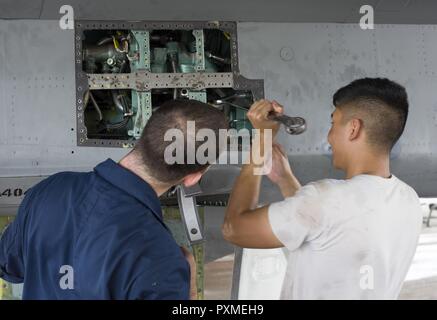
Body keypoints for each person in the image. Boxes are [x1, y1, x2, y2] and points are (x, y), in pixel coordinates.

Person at [0, 99, 228, 299]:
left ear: (143, 137)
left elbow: (9, 266)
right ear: (192, 178)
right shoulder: (162, 261)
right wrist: (189, 287)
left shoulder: (50, 189)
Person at [222, 78, 423, 299]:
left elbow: (235, 228)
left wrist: (262, 140)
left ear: (354, 128)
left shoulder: (325, 199)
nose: (329, 137)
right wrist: (284, 178)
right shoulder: (409, 200)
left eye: (333, 124)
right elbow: (327, 230)